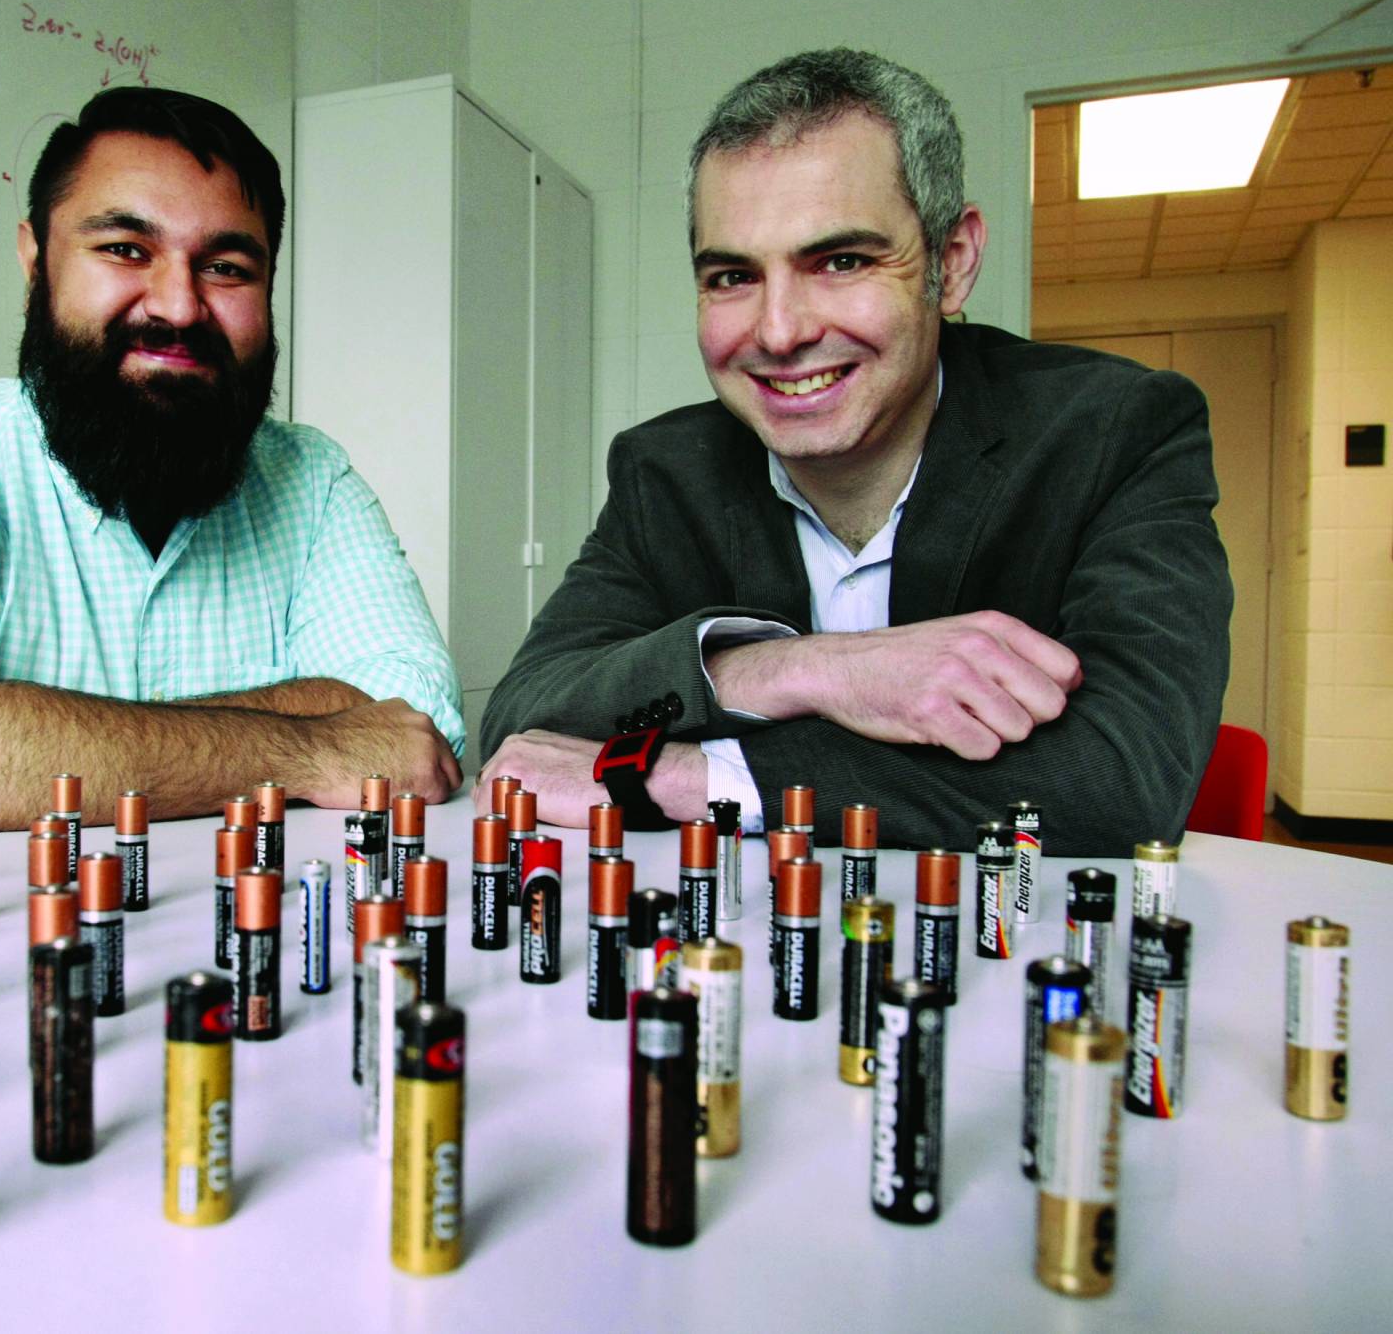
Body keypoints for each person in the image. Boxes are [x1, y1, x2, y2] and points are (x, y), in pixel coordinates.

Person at [478, 49, 1230, 856]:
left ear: (952, 262)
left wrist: (692, 775)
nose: (778, 331)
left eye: (841, 261)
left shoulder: (1117, 430)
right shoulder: (664, 470)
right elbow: (524, 716)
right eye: (732, 276)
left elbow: (1125, 778)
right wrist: (801, 670)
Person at [0, 87, 463, 829]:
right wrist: (310, 749)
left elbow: (412, 729)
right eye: (126, 250)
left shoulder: (314, 483)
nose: (180, 307)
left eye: (226, 266)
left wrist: (18, 741)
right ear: (36, 263)